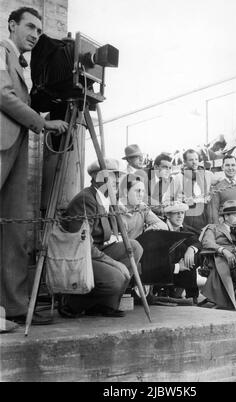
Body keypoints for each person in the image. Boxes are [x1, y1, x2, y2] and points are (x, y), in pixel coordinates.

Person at [0, 7, 69, 325]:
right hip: (3, 143)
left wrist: (43, 121)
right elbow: (1, 95)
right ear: (12, 25)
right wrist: (42, 124)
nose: (35, 34)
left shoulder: (25, 65)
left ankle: (13, 307)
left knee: (14, 227)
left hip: (18, 145)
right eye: (30, 26)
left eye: (39, 30)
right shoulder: (1, 50)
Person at [58, 159, 143, 318]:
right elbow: (81, 244)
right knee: (116, 277)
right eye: (113, 177)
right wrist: (115, 263)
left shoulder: (107, 199)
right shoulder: (86, 199)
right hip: (80, 256)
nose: (118, 181)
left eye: (119, 177)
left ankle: (104, 305)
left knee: (134, 247)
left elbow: (110, 233)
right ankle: (72, 304)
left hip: (97, 251)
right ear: (98, 177)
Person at [119, 174, 168, 240]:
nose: (141, 195)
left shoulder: (142, 207)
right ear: (126, 192)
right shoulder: (116, 210)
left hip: (139, 246)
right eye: (138, 191)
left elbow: (163, 225)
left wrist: (145, 235)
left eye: (143, 191)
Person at [180, 149, 217, 235]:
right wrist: (183, 199)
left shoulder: (207, 174)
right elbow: (173, 197)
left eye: (196, 159)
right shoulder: (180, 177)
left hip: (204, 214)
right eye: (191, 160)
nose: (194, 162)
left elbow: (220, 182)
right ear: (185, 162)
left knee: (204, 237)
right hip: (188, 216)